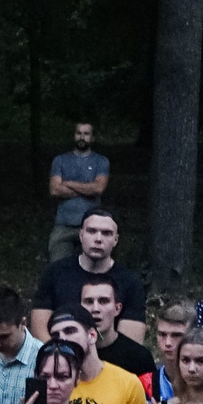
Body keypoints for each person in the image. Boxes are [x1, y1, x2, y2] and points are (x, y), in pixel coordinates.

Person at [32, 208, 147, 343]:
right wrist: (62, 357)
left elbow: (131, 342)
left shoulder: (130, 283)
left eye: (106, 233)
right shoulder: (54, 273)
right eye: (91, 231)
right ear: (81, 235)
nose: (98, 239)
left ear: (116, 240)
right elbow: (40, 332)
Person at [45, 121, 111, 261]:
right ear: (74, 135)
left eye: (86, 134)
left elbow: (98, 188)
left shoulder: (101, 161)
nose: (82, 137)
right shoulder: (60, 160)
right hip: (64, 224)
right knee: (58, 269)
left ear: (92, 138)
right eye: (79, 133)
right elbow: (55, 190)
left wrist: (68, 183)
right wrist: (87, 189)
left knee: (93, 270)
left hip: (92, 226)